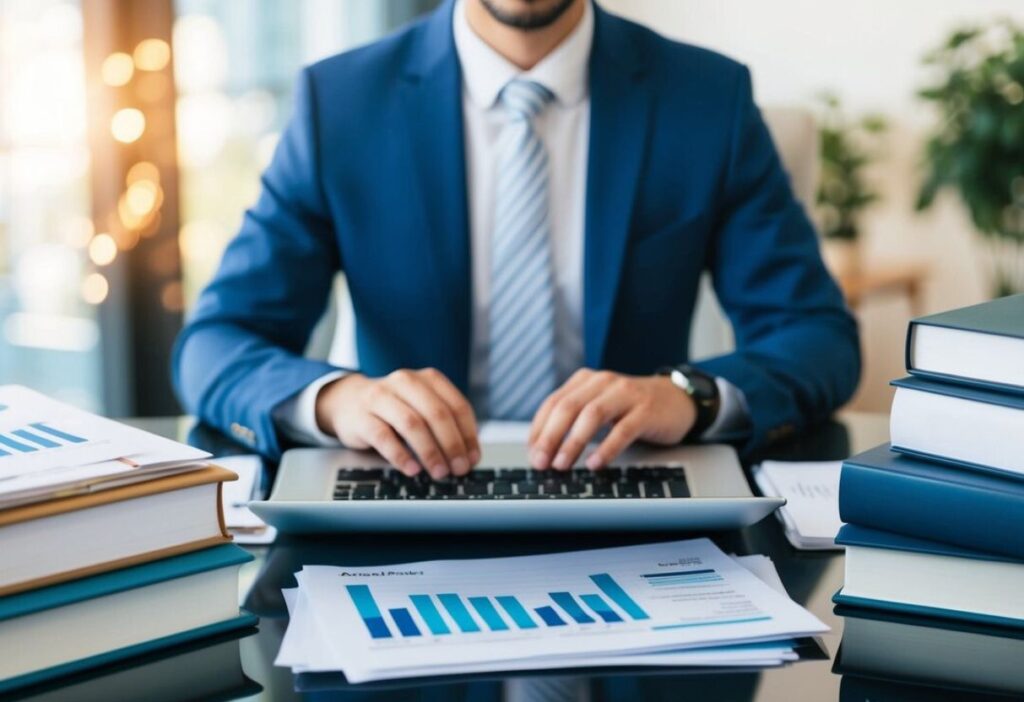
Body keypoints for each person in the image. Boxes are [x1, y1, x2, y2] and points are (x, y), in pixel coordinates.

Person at [172, 0, 860, 479]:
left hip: (632, 502)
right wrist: (337, 400)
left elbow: (818, 337)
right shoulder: (341, 102)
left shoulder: (707, 99)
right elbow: (214, 344)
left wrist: (691, 396)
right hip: (406, 499)